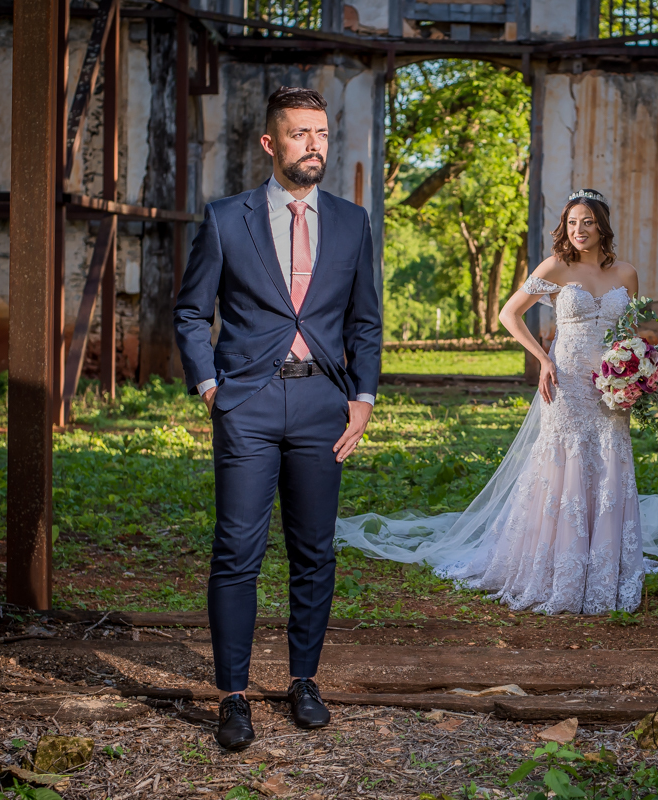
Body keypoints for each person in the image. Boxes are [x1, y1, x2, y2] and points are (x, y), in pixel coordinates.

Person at [336, 190, 658, 614]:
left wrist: (634, 373)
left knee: (609, 460)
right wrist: (542, 359)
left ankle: (604, 564)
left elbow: (629, 331)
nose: (579, 230)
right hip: (567, 379)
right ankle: (558, 565)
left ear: (603, 226)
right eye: (572, 222)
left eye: (587, 222)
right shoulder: (556, 267)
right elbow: (509, 313)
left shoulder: (626, 274)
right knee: (565, 464)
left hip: (610, 385)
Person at [173, 86, 382, 751]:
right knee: (236, 552)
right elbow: (190, 311)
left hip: (323, 403)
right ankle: (232, 695)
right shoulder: (227, 218)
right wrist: (210, 387)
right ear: (271, 143)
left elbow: (366, 321)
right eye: (299, 134)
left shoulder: (352, 222)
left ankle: (303, 681)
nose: (314, 144)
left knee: (315, 551)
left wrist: (364, 397)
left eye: (321, 133)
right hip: (248, 405)